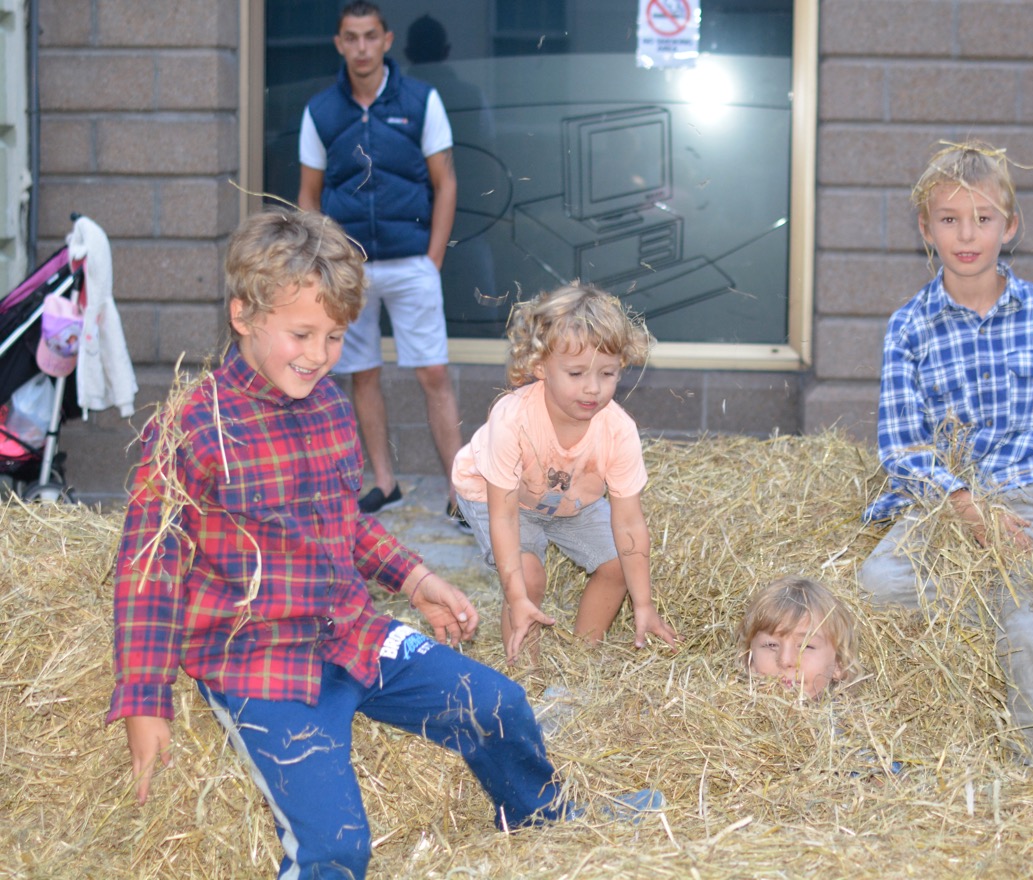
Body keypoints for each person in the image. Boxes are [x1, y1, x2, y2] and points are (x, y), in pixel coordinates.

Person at [107, 212, 657, 880]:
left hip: (354, 636)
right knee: (337, 848)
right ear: (244, 316)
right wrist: (143, 699)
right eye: (302, 334)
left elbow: (347, 524)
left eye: (336, 336)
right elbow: (147, 570)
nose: (319, 354)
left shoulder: (326, 406)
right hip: (262, 666)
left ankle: (542, 815)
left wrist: (419, 580)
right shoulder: (193, 430)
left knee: (499, 706)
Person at [856, 141, 1033, 766]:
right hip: (949, 499)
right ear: (925, 229)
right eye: (949, 219)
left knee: (1026, 630)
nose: (966, 234)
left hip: (1029, 495)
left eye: (983, 218)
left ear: (1009, 225)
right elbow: (903, 445)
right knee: (879, 584)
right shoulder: (910, 326)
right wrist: (968, 512)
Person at [297, 1, 466, 525]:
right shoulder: (321, 111)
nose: (363, 48)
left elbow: (446, 183)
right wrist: (326, 262)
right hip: (351, 269)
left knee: (433, 373)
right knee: (362, 374)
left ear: (387, 41)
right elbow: (308, 196)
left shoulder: (421, 101)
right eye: (352, 37)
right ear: (339, 43)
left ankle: (461, 495)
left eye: (371, 37)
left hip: (413, 260)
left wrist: (432, 258)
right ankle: (385, 484)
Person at [451, 284, 681, 665]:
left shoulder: (618, 431)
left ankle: (580, 661)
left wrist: (644, 604)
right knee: (529, 576)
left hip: (570, 501)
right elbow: (504, 515)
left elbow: (628, 523)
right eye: (576, 373)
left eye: (607, 373)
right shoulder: (513, 419)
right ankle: (524, 675)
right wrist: (518, 596)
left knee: (616, 563)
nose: (593, 388)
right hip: (496, 497)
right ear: (540, 366)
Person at [736, 575, 860, 700]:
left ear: (839, 664)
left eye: (806, 646)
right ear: (749, 658)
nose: (785, 661)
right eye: (771, 645)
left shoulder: (855, 718)